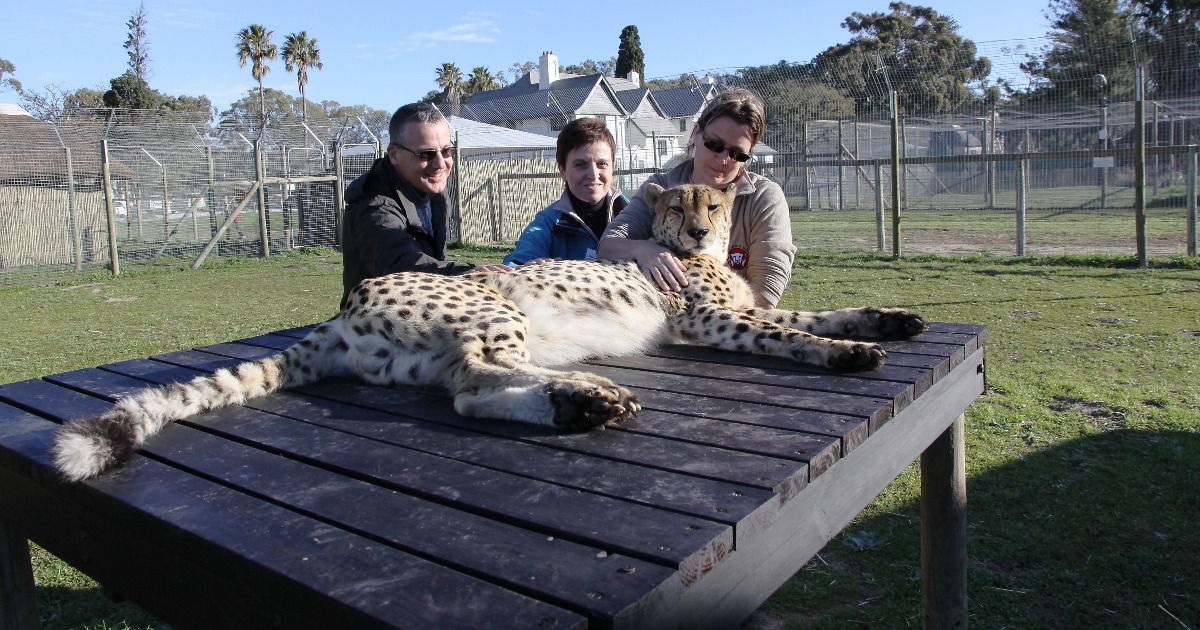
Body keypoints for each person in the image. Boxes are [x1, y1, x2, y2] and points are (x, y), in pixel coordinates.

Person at [597, 88, 796, 308]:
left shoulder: (764, 197)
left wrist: (712, 318)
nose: (722, 159)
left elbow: (766, 294)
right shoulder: (662, 188)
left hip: (730, 325)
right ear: (696, 132)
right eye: (714, 144)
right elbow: (608, 245)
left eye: (737, 154)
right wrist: (642, 250)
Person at [340, 102, 510, 304]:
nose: (440, 164)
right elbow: (398, 265)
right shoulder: (374, 205)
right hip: (374, 323)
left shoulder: (429, 188)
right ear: (394, 154)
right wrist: (467, 274)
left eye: (446, 151)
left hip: (423, 307)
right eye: (425, 154)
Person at [503, 117, 629, 266]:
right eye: (581, 165)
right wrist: (525, 268)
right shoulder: (548, 224)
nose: (594, 175)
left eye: (602, 164)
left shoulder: (638, 215)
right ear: (562, 171)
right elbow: (515, 265)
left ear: (613, 167)